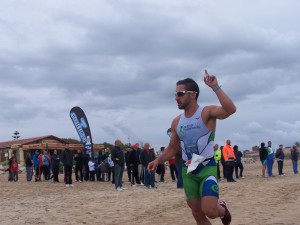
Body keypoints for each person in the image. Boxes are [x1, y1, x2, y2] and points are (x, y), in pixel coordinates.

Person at [148, 70, 236, 225]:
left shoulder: (206, 112)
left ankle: (222, 208)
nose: (176, 98)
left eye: (180, 93)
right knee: (197, 212)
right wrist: (157, 160)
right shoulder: (176, 122)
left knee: (210, 210)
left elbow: (230, 109)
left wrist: (215, 87)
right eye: (175, 94)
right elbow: (172, 148)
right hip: (188, 171)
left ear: (192, 94)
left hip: (207, 167)